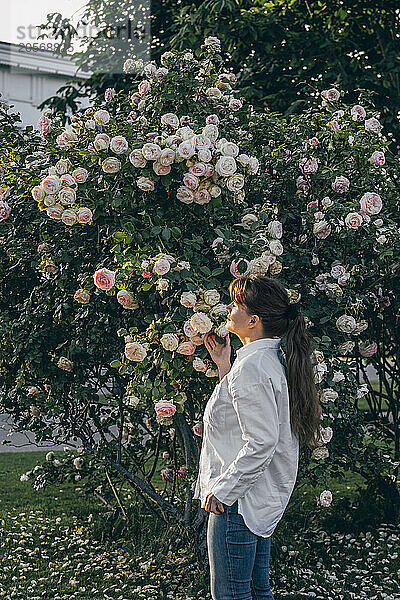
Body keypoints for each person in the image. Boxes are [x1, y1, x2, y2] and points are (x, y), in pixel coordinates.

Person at [192, 275, 322, 600]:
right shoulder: (268, 358)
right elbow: (243, 419)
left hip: (238, 501)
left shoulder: (253, 367)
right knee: (256, 590)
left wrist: (223, 491)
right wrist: (224, 366)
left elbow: (261, 442)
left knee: (231, 595)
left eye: (236, 304)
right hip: (255, 497)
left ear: (253, 320)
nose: (228, 308)